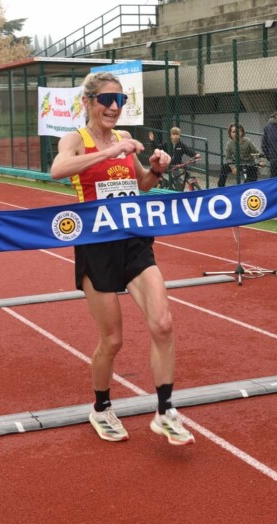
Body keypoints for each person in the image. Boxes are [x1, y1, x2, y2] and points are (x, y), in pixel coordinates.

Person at [50, 71, 195, 447]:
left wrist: (157, 170)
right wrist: (109, 152)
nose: (114, 107)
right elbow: (57, 170)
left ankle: (165, 411)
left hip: (133, 241)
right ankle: (100, 407)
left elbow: (141, 183)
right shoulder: (76, 139)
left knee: (163, 323)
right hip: (96, 245)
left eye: (121, 101)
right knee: (112, 340)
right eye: (107, 100)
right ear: (88, 103)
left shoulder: (125, 141)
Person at [167, 126, 201, 191]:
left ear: (179, 136)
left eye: (177, 134)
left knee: (184, 172)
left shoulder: (181, 145)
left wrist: (195, 155)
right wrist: (152, 141)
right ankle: (177, 190)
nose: (175, 136)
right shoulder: (168, 144)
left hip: (178, 165)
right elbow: (159, 147)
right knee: (178, 182)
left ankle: (179, 188)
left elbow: (188, 151)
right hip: (169, 165)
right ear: (171, 136)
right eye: (174, 134)